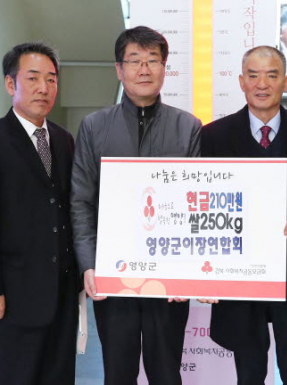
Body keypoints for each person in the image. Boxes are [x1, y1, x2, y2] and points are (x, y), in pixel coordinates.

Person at [71, 26, 201, 385]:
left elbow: (194, 206)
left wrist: (188, 271)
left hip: (169, 277)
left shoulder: (187, 127)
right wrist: (88, 264)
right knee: (118, 373)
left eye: (152, 61)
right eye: (134, 61)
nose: (144, 70)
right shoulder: (94, 127)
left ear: (164, 68)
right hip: (113, 275)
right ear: (119, 69)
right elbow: (81, 200)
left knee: (167, 373)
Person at [201, 46, 287, 385]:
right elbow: (204, 204)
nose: (262, 84)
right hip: (239, 272)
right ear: (241, 82)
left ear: (285, 81)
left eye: (271, 75)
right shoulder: (215, 136)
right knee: (248, 371)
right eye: (253, 75)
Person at [0, 42, 78, 385]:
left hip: (61, 293)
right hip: (13, 295)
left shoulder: (64, 140)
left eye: (51, 79)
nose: (44, 88)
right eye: (33, 78)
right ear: (10, 83)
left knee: (59, 377)